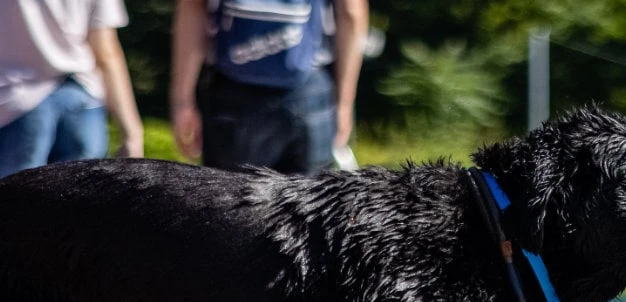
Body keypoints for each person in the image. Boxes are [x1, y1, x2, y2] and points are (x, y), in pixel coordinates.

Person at [171, 0, 368, 175]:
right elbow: (351, 13)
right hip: (309, 92)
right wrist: (344, 104)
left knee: (232, 209)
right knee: (308, 209)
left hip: (234, 93)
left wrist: (182, 100)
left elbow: (192, 6)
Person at [0, 0, 144, 179]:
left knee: (15, 201)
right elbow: (106, 52)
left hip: (17, 101)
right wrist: (132, 133)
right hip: (81, 98)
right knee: (83, 198)